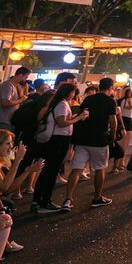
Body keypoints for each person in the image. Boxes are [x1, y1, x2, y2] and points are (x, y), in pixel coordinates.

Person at [62, 78, 118, 211]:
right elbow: (113, 122)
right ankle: (97, 197)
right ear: (110, 87)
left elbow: (81, 114)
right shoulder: (110, 101)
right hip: (99, 140)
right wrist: (112, 137)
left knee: (76, 169)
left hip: (83, 139)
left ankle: (68, 200)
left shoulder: (89, 99)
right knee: (99, 169)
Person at [30, 83, 87, 215]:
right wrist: (78, 118)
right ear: (68, 93)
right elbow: (62, 122)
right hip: (58, 140)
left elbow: (62, 120)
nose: (74, 94)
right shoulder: (62, 104)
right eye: (73, 92)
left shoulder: (57, 103)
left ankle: (38, 200)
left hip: (56, 139)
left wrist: (74, 117)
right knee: (51, 171)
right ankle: (44, 202)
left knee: (48, 170)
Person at [0, 70, 29, 135]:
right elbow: (6, 102)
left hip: (7, 121)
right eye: (25, 77)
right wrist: (21, 100)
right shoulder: (8, 85)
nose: (25, 80)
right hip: (2, 122)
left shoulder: (14, 86)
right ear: (20, 75)